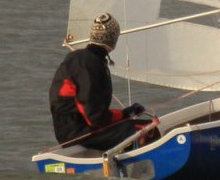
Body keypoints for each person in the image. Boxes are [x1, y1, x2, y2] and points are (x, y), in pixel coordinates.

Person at [48, 12, 150, 151]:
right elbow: (94, 118)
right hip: (77, 134)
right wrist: (125, 114)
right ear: (113, 38)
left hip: (74, 130)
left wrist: (125, 114)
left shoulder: (83, 59)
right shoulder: (89, 64)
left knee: (136, 126)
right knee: (146, 128)